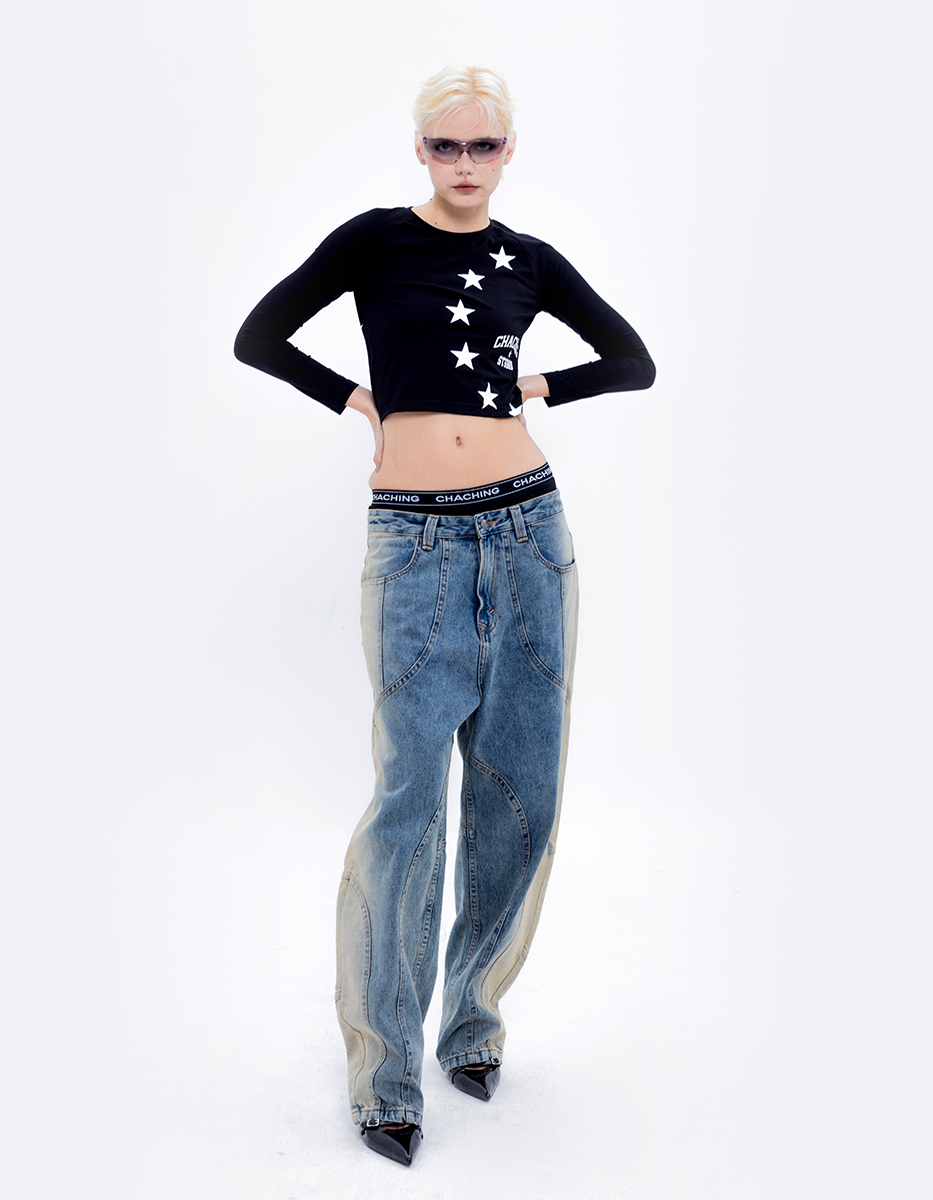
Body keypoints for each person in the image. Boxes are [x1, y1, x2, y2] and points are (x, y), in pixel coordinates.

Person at [234, 65, 655, 1166]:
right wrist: (355, 398)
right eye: (446, 146)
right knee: (408, 804)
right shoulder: (376, 240)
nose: (465, 164)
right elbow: (259, 335)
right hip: (415, 542)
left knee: (521, 792)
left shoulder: (530, 260)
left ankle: (473, 1021)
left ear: (509, 151)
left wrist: (542, 388)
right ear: (420, 150)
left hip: (529, 534)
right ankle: (384, 1070)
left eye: (484, 146)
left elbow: (635, 362)